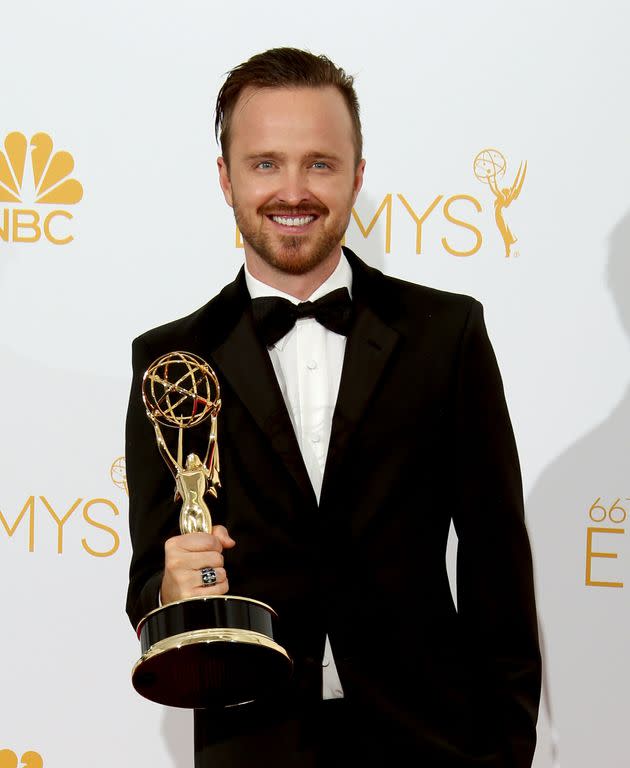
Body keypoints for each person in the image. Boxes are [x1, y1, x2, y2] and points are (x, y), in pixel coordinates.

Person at [125, 47, 541, 767]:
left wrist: (506, 747)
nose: (294, 190)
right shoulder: (170, 361)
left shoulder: (446, 335)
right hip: (252, 742)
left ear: (357, 175)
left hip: (430, 740)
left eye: (320, 162)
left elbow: (497, 565)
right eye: (265, 163)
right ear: (225, 178)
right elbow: (147, 583)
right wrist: (168, 588)